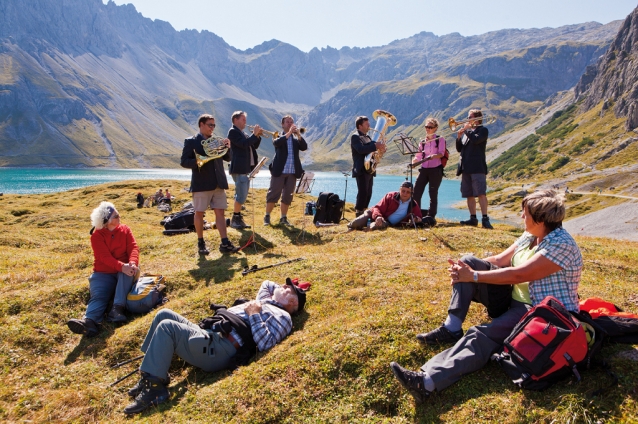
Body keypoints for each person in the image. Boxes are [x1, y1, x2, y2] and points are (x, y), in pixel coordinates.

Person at [390, 189, 583, 403]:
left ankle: (427, 381)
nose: (521, 217)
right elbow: (500, 260)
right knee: (468, 260)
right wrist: (465, 268)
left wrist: (472, 276)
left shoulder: (561, 244)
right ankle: (452, 327)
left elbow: (520, 274)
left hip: (539, 313)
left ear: (540, 218)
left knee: (481, 334)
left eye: (525, 214)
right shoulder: (532, 235)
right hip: (514, 301)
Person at [122, 278, 310, 415]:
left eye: (289, 289)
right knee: (163, 314)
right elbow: (267, 283)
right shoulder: (265, 301)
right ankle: (150, 374)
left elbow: (266, 343)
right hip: (210, 335)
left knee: (167, 328)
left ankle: (155, 389)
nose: (283, 286)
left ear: (292, 303)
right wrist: (280, 294)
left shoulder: (284, 318)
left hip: (221, 347)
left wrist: (254, 314)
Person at [67, 202, 140, 337]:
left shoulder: (125, 230)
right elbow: (104, 257)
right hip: (103, 273)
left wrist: (131, 263)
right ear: (105, 221)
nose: (119, 217)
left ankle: (117, 309)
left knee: (129, 271)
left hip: (125, 270)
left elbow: (133, 248)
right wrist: (121, 266)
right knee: (99, 295)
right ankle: (89, 322)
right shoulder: (97, 236)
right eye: (115, 216)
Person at [180, 114, 239, 255]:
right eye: (210, 125)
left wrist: (228, 147)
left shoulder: (216, 140)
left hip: (218, 182)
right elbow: (183, 161)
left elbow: (227, 157)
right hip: (201, 183)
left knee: (220, 212)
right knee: (199, 213)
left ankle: (224, 242)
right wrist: (199, 161)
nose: (212, 128)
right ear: (201, 125)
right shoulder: (191, 141)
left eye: (214, 125)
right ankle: (201, 243)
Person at [264, 115, 308, 226]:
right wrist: (289, 134)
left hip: (292, 172)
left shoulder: (295, 139)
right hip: (279, 170)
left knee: (288, 196)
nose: (290, 124)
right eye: (287, 122)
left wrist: (298, 135)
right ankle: (267, 216)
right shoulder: (277, 135)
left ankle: (283, 218)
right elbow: (277, 143)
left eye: (291, 122)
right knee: (273, 194)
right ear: (282, 124)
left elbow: (304, 147)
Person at [455, 109, 493, 229]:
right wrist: (459, 137)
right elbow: (459, 149)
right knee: (469, 194)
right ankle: (473, 218)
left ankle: (485, 219)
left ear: (477, 118)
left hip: (477, 167)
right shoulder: (468, 132)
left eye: (469, 117)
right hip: (466, 167)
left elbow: (476, 140)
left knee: (481, 193)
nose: (467, 119)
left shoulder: (483, 130)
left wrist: (466, 130)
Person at [228, 111, 261, 229]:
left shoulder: (242, 133)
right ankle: (235, 219)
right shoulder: (233, 132)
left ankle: (238, 218)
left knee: (242, 194)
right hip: (239, 167)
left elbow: (253, 146)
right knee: (240, 195)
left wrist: (257, 135)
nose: (245, 122)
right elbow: (243, 144)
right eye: (243, 120)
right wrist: (253, 135)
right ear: (236, 120)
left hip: (245, 168)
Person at [412, 118, 447, 227]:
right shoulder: (422, 141)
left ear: (435, 128)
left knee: (433, 193)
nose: (428, 129)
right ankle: (417, 215)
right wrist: (414, 161)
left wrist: (433, 156)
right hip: (424, 168)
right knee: (416, 191)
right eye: (426, 127)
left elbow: (441, 153)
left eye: (430, 127)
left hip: (435, 169)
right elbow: (418, 156)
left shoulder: (440, 139)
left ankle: (431, 216)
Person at [348, 181, 422, 231]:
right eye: (403, 191)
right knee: (355, 223)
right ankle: (350, 227)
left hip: (386, 222)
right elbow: (377, 208)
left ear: (411, 193)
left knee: (374, 226)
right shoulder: (390, 196)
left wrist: (417, 220)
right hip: (373, 214)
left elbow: (419, 217)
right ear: (399, 190)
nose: (405, 193)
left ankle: (364, 230)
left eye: (408, 192)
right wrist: (378, 216)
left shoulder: (413, 204)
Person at [351, 116, 387, 216]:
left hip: (369, 169)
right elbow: (361, 149)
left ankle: (364, 213)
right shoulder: (355, 137)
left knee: (368, 193)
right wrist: (376, 146)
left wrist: (381, 149)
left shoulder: (367, 137)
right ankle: (358, 213)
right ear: (360, 126)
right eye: (367, 124)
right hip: (361, 168)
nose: (369, 126)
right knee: (362, 192)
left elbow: (373, 149)